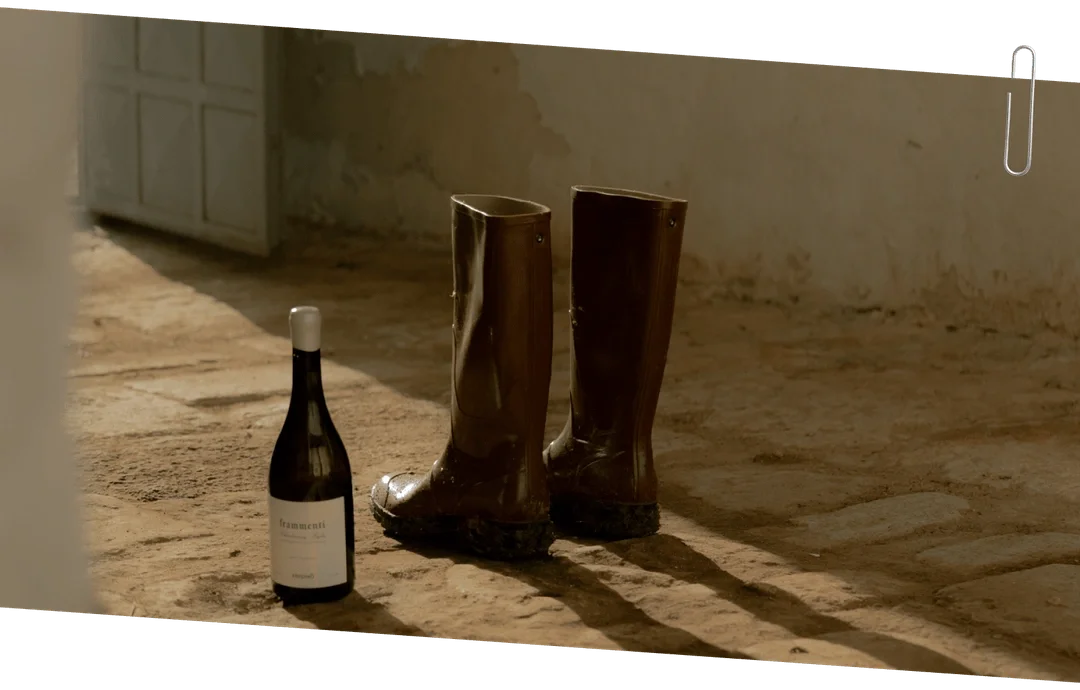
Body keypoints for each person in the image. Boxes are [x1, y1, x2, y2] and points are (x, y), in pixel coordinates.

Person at [371, 186, 689, 560]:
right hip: (596, 471)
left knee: (511, 237)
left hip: (500, 484)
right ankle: (615, 467)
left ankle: (489, 477)